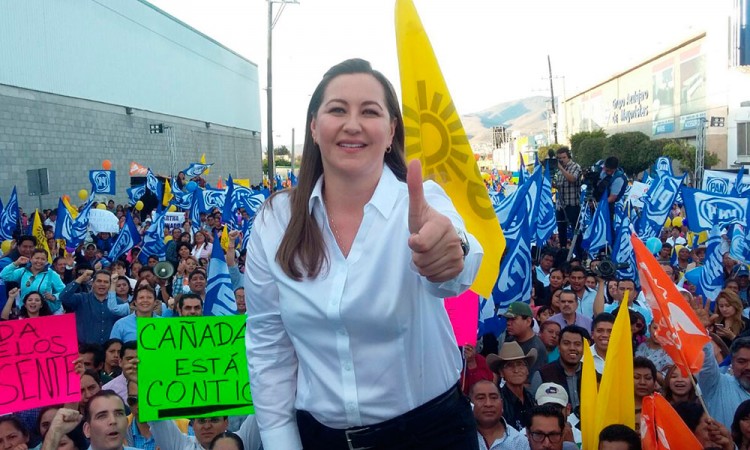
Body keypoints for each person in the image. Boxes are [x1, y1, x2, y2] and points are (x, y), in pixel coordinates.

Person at [244, 58, 482, 450]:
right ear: (314, 127)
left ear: (391, 132)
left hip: (430, 436)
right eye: (338, 110)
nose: (352, 124)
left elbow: (457, 266)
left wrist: (451, 254)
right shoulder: (275, 221)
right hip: (320, 439)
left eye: (369, 112)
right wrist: (280, 441)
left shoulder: (422, 203)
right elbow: (268, 343)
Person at [60, 270, 129, 344]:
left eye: (106, 282)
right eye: (99, 281)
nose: (102, 284)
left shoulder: (118, 302)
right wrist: (82, 277)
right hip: (85, 347)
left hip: (109, 348)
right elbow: (63, 297)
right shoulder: (82, 298)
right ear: (92, 283)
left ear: (110, 285)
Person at [531, 325, 589, 413]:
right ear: (558, 347)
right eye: (566, 343)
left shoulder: (592, 374)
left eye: (577, 344)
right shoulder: (543, 374)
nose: (572, 348)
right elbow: (533, 409)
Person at [487, 341, 537, 431]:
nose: (516, 370)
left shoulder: (531, 399)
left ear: (527, 370)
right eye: (510, 365)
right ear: (501, 372)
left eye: (520, 364)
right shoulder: (498, 402)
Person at [1, 248, 65, 312]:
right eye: (37, 258)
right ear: (31, 259)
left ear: (46, 261)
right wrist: (16, 263)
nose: (39, 261)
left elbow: (64, 291)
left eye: (43, 259)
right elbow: (4, 275)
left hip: (46, 312)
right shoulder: (23, 271)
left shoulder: (51, 274)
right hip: (25, 311)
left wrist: (54, 297)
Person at [469, 380, 526, 450]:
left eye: (493, 397)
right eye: (481, 398)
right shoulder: (461, 438)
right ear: (470, 404)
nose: (488, 404)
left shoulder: (519, 441)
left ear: (501, 404)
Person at [503, 302, 548, 377]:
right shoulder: (509, 340)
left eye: (513, 319)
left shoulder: (536, 349)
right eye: (507, 319)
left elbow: (532, 381)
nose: (508, 323)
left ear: (528, 321)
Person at [552, 146, 582, 254]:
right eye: (559, 158)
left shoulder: (575, 167)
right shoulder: (559, 171)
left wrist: (561, 168)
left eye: (564, 157)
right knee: (561, 229)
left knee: (575, 229)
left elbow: (572, 179)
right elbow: (559, 186)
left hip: (572, 204)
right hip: (561, 204)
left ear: (569, 157)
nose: (561, 160)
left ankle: (579, 252)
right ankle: (563, 250)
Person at [633, 357, 658, 427]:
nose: (642, 382)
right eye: (636, 377)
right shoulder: (618, 407)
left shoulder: (661, 408)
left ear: (654, 382)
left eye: (648, 378)